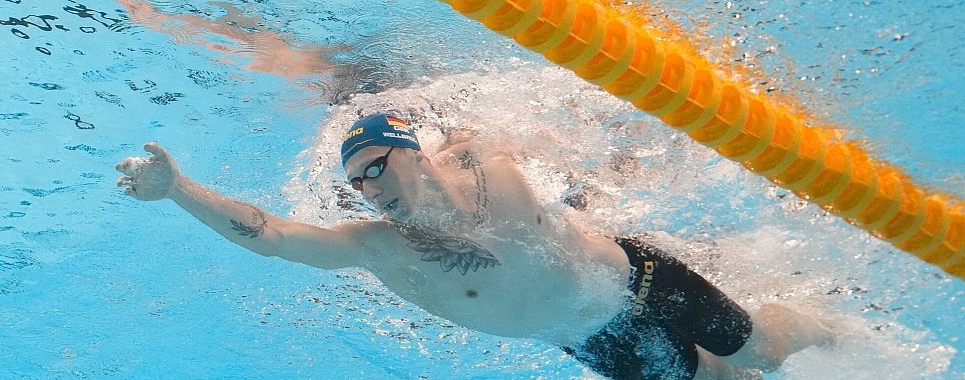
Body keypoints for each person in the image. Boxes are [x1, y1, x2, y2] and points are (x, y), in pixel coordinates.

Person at [116, 113, 833, 379]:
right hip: (594, 339)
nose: (369, 189)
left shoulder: (497, 165)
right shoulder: (381, 247)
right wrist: (179, 190)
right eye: (357, 184)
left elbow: (585, 143)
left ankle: (837, 326)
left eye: (375, 168)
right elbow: (271, 236)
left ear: (413, 153)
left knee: (761, 350)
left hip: (640, 278)